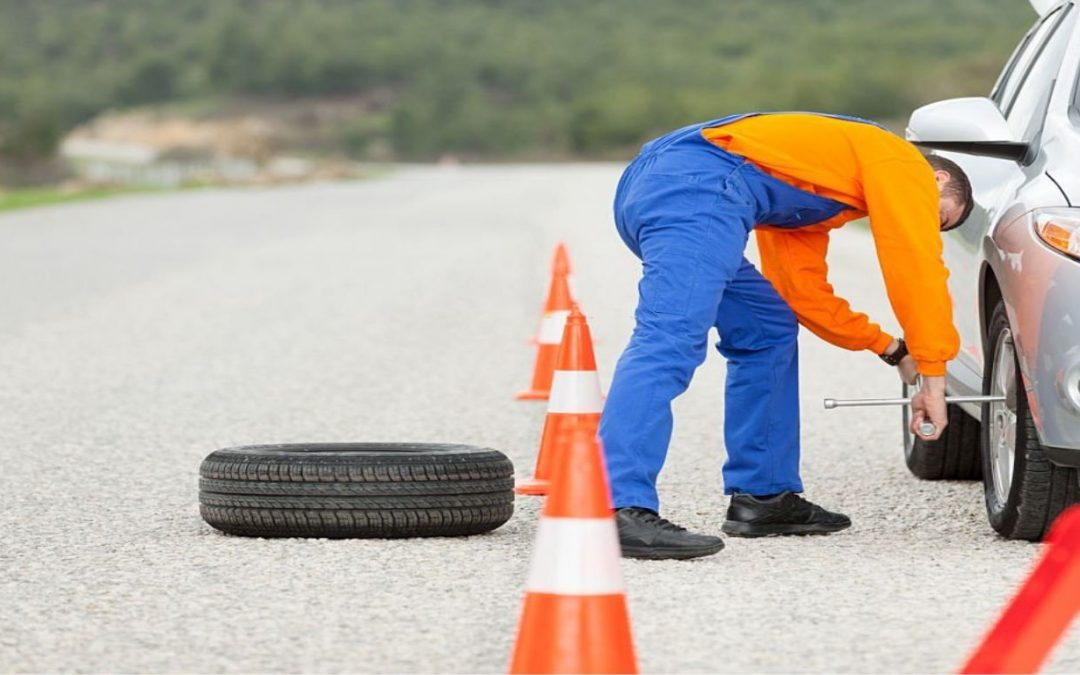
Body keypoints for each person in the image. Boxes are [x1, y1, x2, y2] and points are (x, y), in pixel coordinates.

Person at [600, 112, 971, 560]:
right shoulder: (901, 161)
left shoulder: (814, 186)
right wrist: (934, 373)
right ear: (938, 177)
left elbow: (802, 293)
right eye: (942, 216)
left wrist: (892, 349)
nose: (930, 226)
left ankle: (764, 497)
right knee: (669, 339)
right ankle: (617, 505)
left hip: (679, 184)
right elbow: (916, 266)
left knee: (767, 326)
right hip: (696, 186)